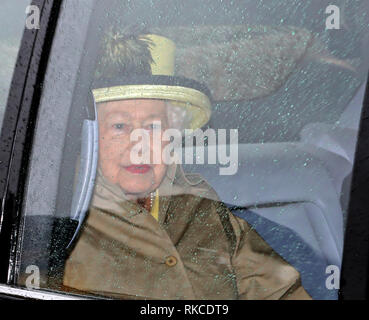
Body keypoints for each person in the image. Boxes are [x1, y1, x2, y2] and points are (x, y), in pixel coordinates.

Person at [62, 26, 311, 299]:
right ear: (89, 135)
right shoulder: (62, 216)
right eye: (120, 125)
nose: (139, 144)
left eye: (153, 126)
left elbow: (280, 291)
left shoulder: (198, 202)